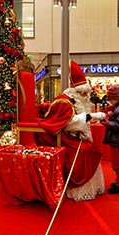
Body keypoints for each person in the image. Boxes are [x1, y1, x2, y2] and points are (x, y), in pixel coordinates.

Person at [34, 61, 106, 201]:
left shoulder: (79, 99)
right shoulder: (65, 101)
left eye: (87, 93)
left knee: (91, 149)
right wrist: (91, 116)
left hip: (78, 136)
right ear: (76, 90)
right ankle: (77, 189)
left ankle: (90, 186)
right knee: (84, 152)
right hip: (66, 137)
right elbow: (68, 124)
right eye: (83, 92)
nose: (86, 96)